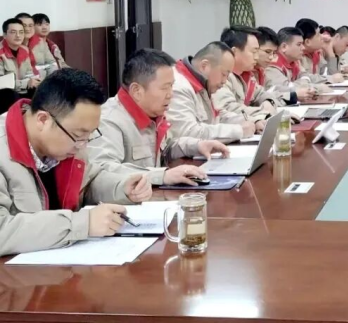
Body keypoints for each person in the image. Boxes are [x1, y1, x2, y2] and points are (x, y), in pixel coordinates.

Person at [0, 68, 152, 256]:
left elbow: (87, 183)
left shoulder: (68, 143)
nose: (83, 145)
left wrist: (122, 188)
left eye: (90, 135)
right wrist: (82, 224)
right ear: (43, 120)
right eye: (79, 135)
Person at [88, 49, 229, 187]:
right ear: (137, 91)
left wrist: (197, 146)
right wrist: (162, 176)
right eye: (164, 88)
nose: (170, 94)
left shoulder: (154, 114)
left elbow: (166, 148)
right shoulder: (109, 120)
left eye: (171, 86)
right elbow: (104, 171)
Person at [167, 42, 260, 142]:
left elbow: (217, 117)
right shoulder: (179, 86)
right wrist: (239, 131)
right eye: (224, 74)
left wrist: (253, 121)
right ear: (204, 66)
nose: (224, 81)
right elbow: (189, 132)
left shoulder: (204, 84)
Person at [213, 26, 279, 121]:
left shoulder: (246, 74)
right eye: (254, 52)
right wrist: (264, 113)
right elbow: (229, 108)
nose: (256, 57)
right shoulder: (221, 76)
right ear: (234, 52)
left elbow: (261, 93)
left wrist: (268, 102)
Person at [265, 27, 317, 101]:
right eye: (299, 44)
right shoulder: (272, 66)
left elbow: (305, 76)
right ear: (284, 47)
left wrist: (301, 82)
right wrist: (307, 83)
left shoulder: (294, 61)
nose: (303, 48)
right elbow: (287, 89)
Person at [295, 18, 344, 85]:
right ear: (307, 42)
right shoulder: (297, 56)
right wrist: (329, 78)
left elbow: (335, 75)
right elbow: (306, 78)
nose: (322, 37)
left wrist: (329, 50)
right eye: (318, 35)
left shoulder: (316, 53)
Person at [0, 18, 41, 95]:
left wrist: (35, 81)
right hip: (7, 93)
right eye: (13, 32)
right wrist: (25, 83)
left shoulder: (25, 50)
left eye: (21, 32)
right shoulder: (1, 52)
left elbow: (29, 73)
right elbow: (2, 83)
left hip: (22, 89)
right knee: (9, 93)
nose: (18, 35)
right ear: (4, 35)